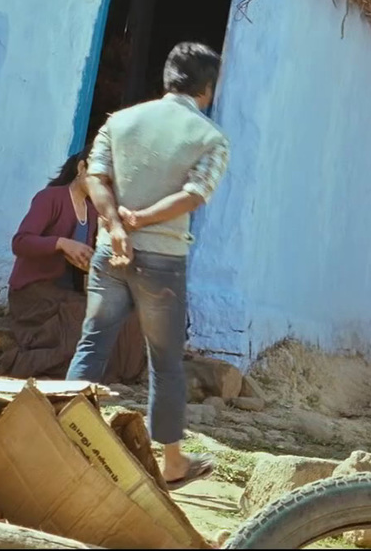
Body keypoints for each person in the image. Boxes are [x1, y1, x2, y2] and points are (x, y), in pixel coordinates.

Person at [66, 42, 229, 491]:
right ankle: (173, 463)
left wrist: (117, 224)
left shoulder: (119, 122)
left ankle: (63, 436)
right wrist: (144, 219)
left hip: (109, 252)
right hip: (163, 261)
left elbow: (95, 178)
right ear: (208, 88)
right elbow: (195, 195)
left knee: (93, 342)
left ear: (167, 79)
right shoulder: (209, 137)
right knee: (165, 363)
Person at [0, 151, 147, 383]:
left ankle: (117, 375)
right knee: (80, 322)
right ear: (81, 168)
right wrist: (61, 244)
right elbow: (20, 242)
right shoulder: (50, 198)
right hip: (35, 295)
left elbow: (96, 256)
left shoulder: (95, 210)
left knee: (125, 316)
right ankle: (21, 364)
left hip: (68, 295)